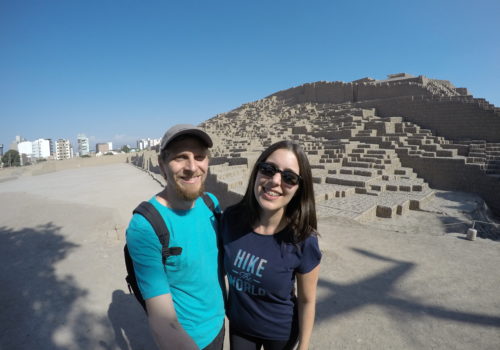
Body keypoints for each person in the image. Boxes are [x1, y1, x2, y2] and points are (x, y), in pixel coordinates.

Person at [126, 124, 225, 350]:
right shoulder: (145, 226)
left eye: (199, 157)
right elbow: (163, 323)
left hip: (219, 323)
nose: (192, 167)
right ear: (161, 164)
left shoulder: (211, 204)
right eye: (181, 157)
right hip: (188, 339)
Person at [221, 140, 322, 350]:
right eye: (268, 169)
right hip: (240, 327)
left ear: (298, 189)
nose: (275, 181)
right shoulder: (230, 220)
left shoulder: (303, 240)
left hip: (280, 334)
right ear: (257, 171)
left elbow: (306, 300)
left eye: (289, 178)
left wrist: (303, 346)